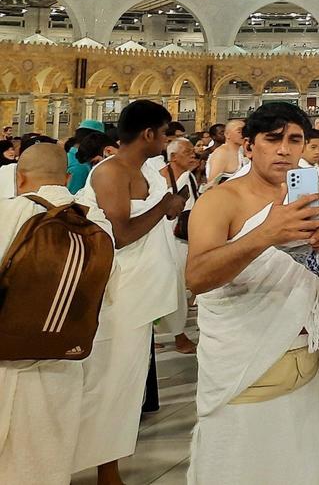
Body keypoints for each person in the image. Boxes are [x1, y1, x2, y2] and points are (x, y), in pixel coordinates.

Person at [185, 102, 319, 484]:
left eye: (294, 139)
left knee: (293, 466)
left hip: (303, 358)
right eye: (272, 139)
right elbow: (196, 277)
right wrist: (266, 233)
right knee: (237, 466)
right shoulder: (220, 201)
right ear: (248, 146)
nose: (284, 149)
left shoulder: (317, 199)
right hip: (244, 363)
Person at [73, 100, 183, 485]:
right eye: (166, 132)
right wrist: (165, 206)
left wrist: (168, 208)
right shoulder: (110, 172)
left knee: (127, 385)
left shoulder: (147, 171)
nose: (169, 140)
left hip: (140, 292)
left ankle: (109, 468)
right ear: (149, 134)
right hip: (114, 295)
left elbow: (150, 219)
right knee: (105, 381)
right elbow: (120, 234)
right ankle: (91, 468)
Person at [0, 144, 113, 485]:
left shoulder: (7, 214)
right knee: (45, 460)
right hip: (63, 362)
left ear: (20, 178)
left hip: (4, 359)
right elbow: (108, 295)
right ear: (67, 177)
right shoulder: (96, 221)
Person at [153, 137, 203, 355]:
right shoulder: (159, 178)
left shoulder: (187, 176)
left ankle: (173, 332)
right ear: (173, 157)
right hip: (170, 239)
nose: (193, 154)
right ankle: (177, 334)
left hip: (181, 238)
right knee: (173, 288)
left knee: (179, 288)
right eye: (187, 151)